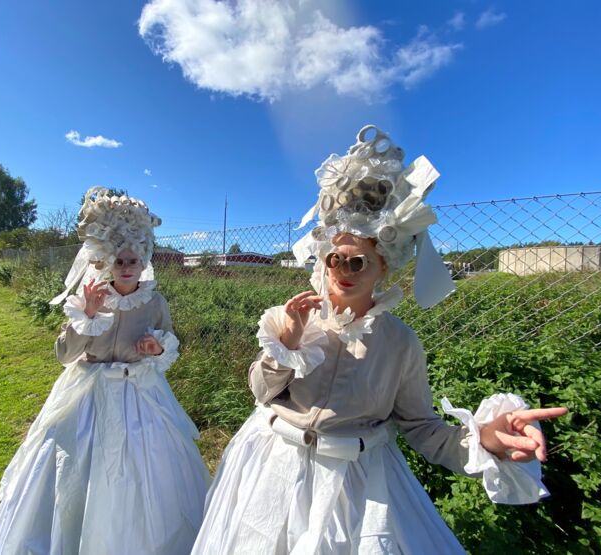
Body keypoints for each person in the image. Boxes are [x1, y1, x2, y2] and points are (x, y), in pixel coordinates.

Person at [191, 125, 567, 555]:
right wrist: (289, 345)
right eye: (335, 257)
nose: (342, 270)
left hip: (353, 484)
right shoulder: (296, 315)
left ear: (384, 267)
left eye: (358, 262)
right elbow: (261, 391)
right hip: (272, 467)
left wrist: (483, 440)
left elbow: (424, 429)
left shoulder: (401, 344)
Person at [0, 188, 210, 555]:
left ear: (144, 261)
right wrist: (87, 316)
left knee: (150, 471)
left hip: (140, 394)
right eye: (118, 261)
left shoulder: (154, 301)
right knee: (75, 467)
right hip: (88, 394)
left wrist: (156, 348)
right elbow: (64, 354)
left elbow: (167, 342)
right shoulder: (89, 298)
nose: (126, 267)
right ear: (105, 261)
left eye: (133, 260)